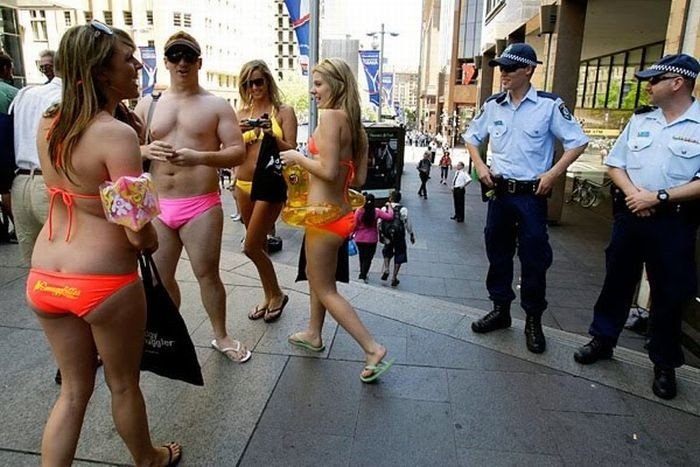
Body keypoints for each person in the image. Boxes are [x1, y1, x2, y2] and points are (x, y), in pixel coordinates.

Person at [27, 22, 181, 465]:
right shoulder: (117, 135)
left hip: (45, 276)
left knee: (73, 392)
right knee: (123, 384)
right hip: (103, 281)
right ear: (99, 72)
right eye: (127, 60)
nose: (137, 67)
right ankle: (148, 458)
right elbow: (137, 230)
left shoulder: (48, 122)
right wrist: (150, 236)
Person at [573, 54, 700, 400]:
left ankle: (663, 363)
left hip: (673, 220)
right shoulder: (642, 119)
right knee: (617, 281)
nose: (648, 86)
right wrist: (634, 196)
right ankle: (603, 339)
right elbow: (615, 163)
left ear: (678, 83)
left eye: (655, 80)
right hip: (631, 215)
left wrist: (656, 197)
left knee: (669, 293)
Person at [463, 43, 589, 354]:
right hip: (500, 194)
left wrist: (553, 174)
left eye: (509, 68)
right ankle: (501, 310)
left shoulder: (548, 106)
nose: (502, 74)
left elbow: (578, 142)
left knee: (534, 259)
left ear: (529, 70)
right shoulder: (493, 105)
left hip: (532, 195)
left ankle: (533, 320)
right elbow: (471, 136)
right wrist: (480, 165)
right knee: (498, 253)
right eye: (500, 68)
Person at [134, 31, 251, 363]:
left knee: (207, 273)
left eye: (188, 55)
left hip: (199, 203)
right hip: (158, 205)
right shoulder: (149, 104)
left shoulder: (215, 105)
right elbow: (125, 148)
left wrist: (200, 157)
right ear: (166, 61)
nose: (181, 62)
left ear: (199, 61)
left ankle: (222, 336)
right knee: (159, 278)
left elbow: (237, 153)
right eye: (174, 55)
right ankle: (171, 335)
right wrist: (145, 148)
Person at [280, 58, 394, 383]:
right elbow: (358, 177)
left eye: (318, 83)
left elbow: (328, 171)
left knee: (325, 287)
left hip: (322, 217)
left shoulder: (330, 118)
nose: (313, 90)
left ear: (337, 85)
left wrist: (300, 158)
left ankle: (372, 348)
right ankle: (314, 333)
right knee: (319, 277)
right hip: (342, 214)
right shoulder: (356, 126)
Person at [236, 59, 296, 322]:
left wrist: (270, 133)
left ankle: (278, 294)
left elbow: (292, 149)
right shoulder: (239, 113)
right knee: (258, 245)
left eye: (258, 81)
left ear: (268, 81)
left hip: (270, 184)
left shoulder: (283, 111)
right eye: (248, 83)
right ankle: (269, 294)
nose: (254, 87)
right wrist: (236, 133)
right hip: (242, 184)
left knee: (250, 247)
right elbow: (231, 151)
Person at [10, 60, 62, 265]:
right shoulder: (66, 98)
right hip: (48, 181)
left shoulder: (25, 93)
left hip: (21, 182)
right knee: (62, 259)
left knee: (34, 264)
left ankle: (37, 297)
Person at [353, 193, 393, 283]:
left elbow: (354, 225)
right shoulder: (376, 211)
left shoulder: (359, 211)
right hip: (371, 239)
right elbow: (390, 217)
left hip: (359, 238)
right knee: (368, 258)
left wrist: (352, 234)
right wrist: (389, 207)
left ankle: (362, 273)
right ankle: (363, 275)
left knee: (362, 256)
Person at [380, 190, 415, 287]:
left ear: (391, 198)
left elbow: (380, 222)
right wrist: (411, 234)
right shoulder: (403, 209)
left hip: (388, 235)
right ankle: (394, 277)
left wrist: (381, 234)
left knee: (387, 251)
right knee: (400, 254)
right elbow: (407, 223)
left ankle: (386, 268)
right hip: (399, 235)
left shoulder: (384, 208)